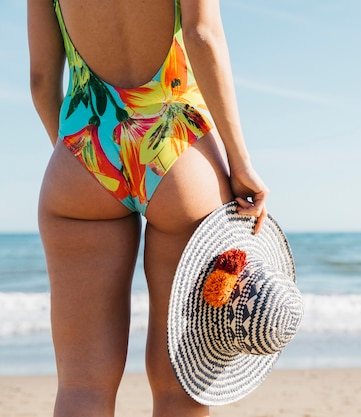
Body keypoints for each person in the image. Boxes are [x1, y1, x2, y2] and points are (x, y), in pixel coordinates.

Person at [27, 0, 269, 415]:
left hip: (86, 147)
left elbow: (41, 78)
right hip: (176, 149)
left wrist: (82, 161)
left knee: (82, 383)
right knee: (182, 385)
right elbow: (202, 36)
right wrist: (241, 162)